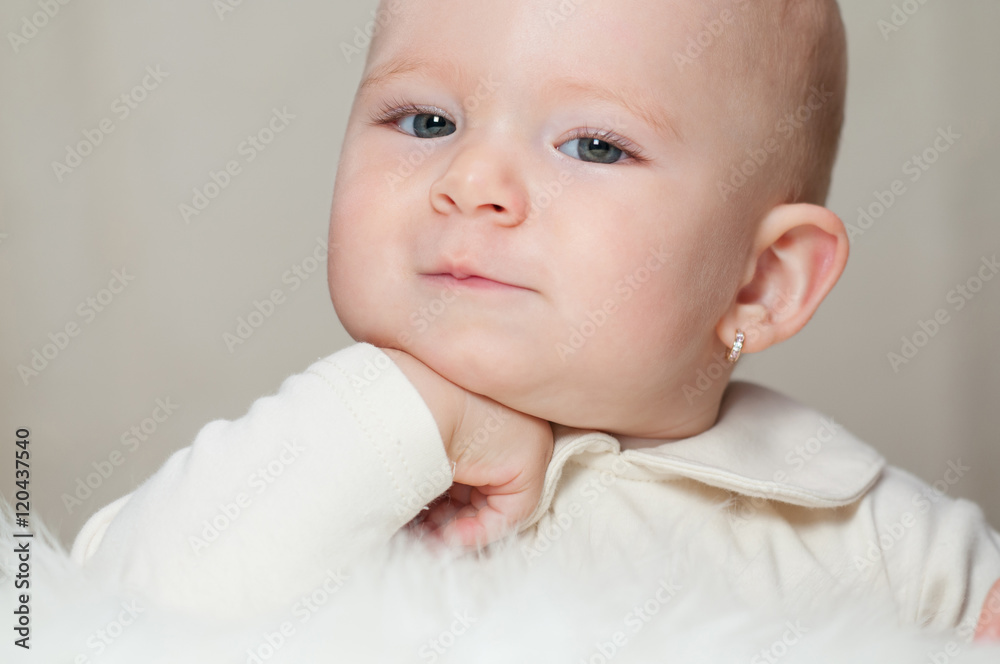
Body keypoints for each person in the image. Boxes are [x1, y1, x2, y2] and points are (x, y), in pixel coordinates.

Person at [72, 0, 1000, 641]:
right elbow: (104, 616)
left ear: (761, 281)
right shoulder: (339, 464)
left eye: (594, 145)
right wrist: (412, 413)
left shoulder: (875, 535)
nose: (469, 182)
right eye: (426, 121)